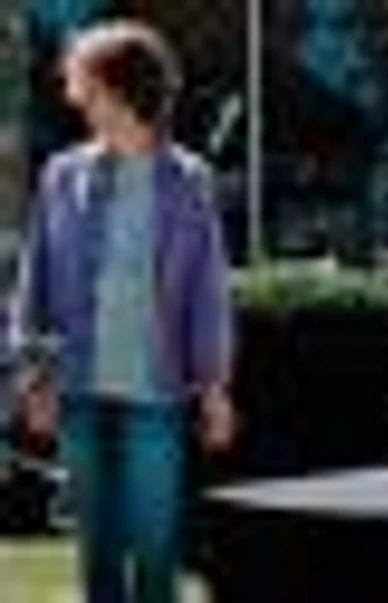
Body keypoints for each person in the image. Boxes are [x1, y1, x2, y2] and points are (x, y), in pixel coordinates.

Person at [11, 20, 235, 603]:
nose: (76, 98)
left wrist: (213, 386)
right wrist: (32, 377)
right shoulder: (63, 175)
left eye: (86, 85)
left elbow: (207, 291)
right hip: (79, 389)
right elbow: (35, 281)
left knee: (156, 550)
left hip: (156, 394)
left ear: (121, 89)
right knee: (98, 550)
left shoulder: (189, 181)